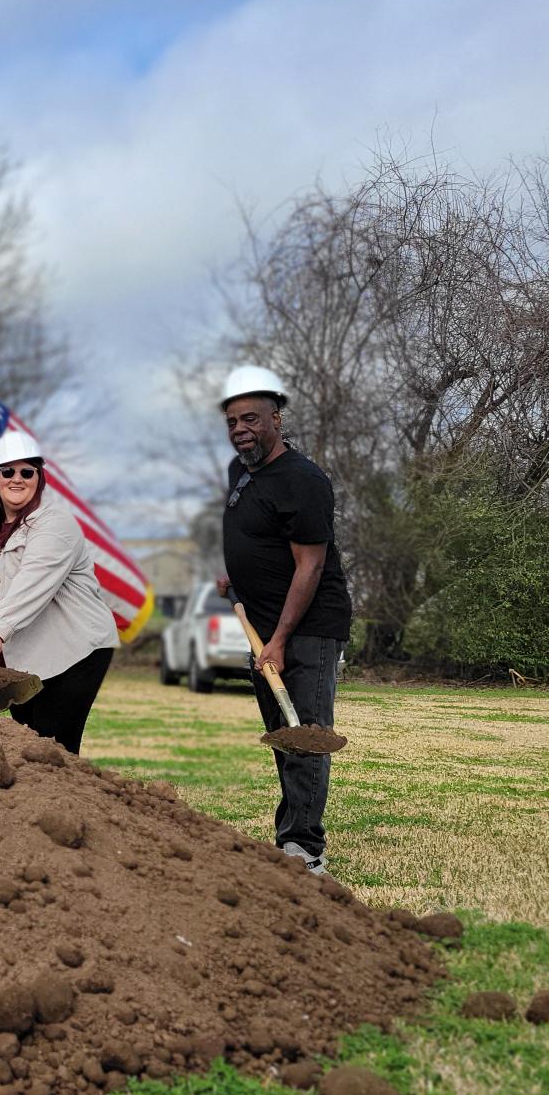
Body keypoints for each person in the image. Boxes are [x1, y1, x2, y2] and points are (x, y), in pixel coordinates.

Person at [217, 364, 353, 876]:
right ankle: (289, 834)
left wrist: (277, 641)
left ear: (276, 418)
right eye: (232, 422)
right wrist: (232, 573)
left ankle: (304, 848)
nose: (240, 429)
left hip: (307, 629)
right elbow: (254, 534)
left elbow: (310, 565)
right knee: (281, 732)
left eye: (250, 418)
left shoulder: (303, 480)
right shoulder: (243, 474)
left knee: (304, 733)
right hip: (263, 627)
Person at [0, 431, 118, 755]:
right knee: (26, 748)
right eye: (8, 471)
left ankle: (71, 806)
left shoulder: (56, 523)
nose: (17, 479)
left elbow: (32, 584)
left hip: (74, 652)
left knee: (52, 751)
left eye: (27, 471)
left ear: (39, 477)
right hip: (23, 660)